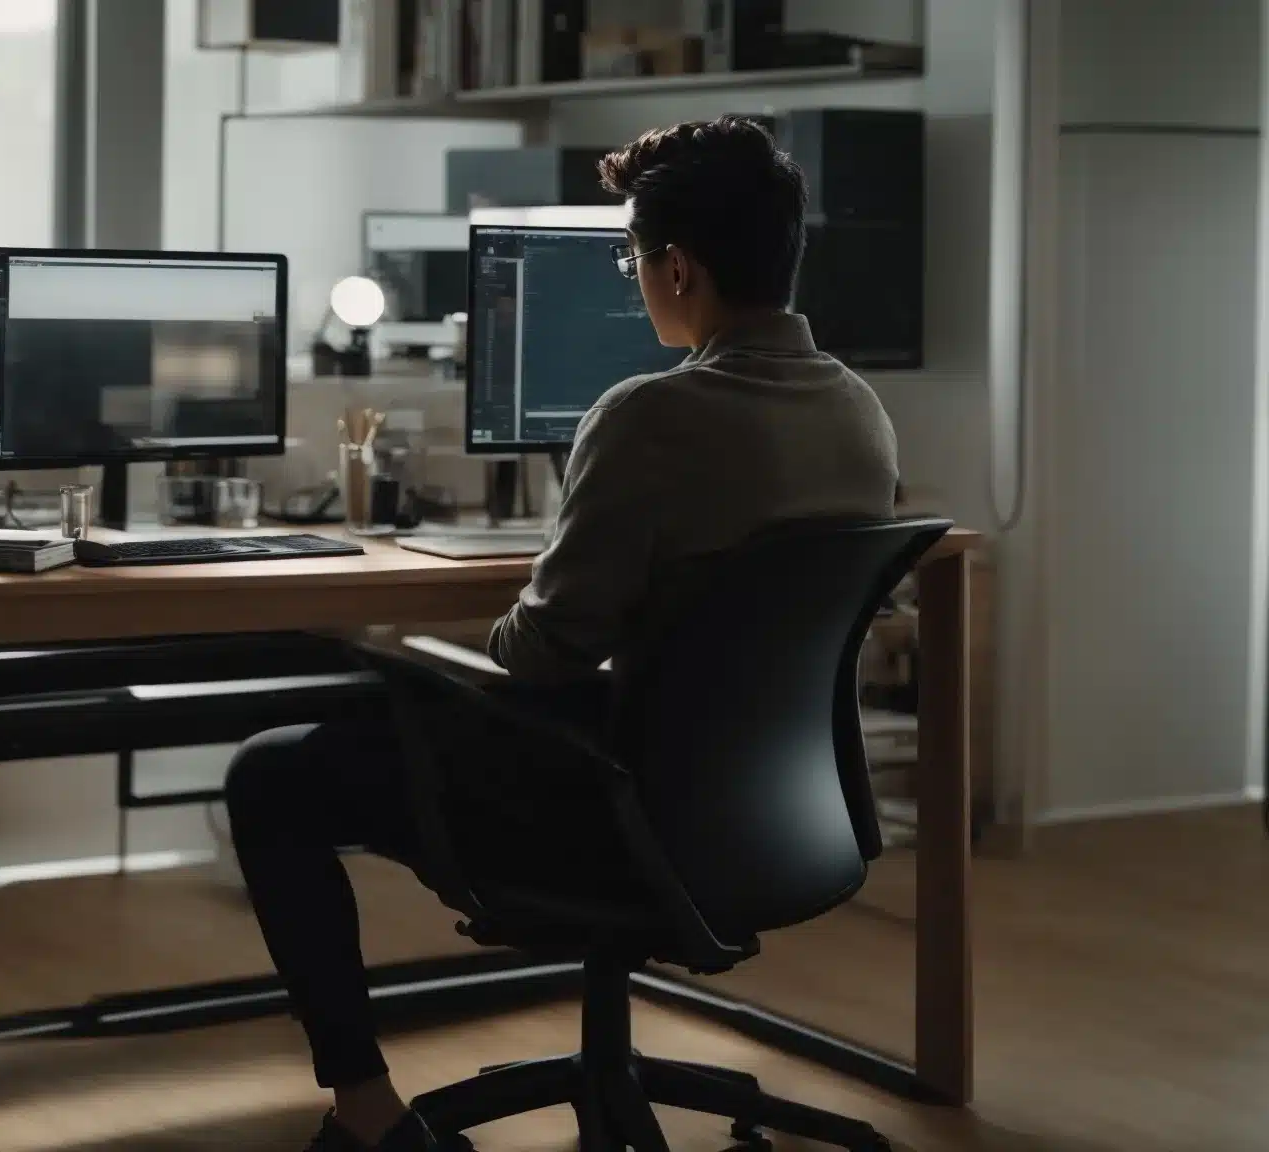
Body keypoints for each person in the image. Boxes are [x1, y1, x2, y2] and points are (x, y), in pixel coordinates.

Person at [223, 115, 900, 1152]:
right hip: (772, 810)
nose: (633, 282)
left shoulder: (645, 416)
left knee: (274, 772)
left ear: (676, 266)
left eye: (634, 261)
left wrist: (411, 640)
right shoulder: (858, 409)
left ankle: (363, 1111)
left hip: (628, 810)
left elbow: (542, 653)